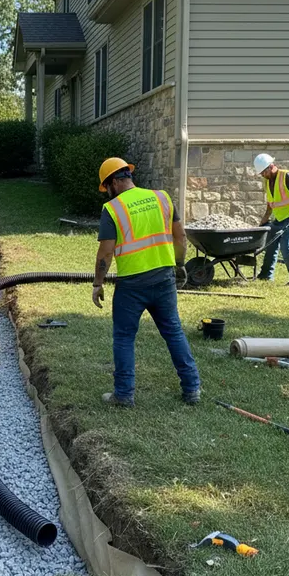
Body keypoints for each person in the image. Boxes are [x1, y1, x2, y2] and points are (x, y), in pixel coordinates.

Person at [91, 158, 201, 407]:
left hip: (131, 285)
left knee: (124, 337)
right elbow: (180, 235)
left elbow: (106, 253)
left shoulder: (112, 209)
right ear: (128, 174)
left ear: (113, 182)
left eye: (106, 187)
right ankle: (192, 388)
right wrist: (180, 264)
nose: (107, 192)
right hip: (163, 279)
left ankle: (124, 394)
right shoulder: (162, 197)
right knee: (173, 332)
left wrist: (98, 283)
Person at [253, 153, 289, 287]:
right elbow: (271, 203)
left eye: (263, 172)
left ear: (271, 167)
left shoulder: (287, 176)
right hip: (279, 217)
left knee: (287, 246)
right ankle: (266, 275)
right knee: (270, 244)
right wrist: (264, 220)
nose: (262, 175)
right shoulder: (267, 181)